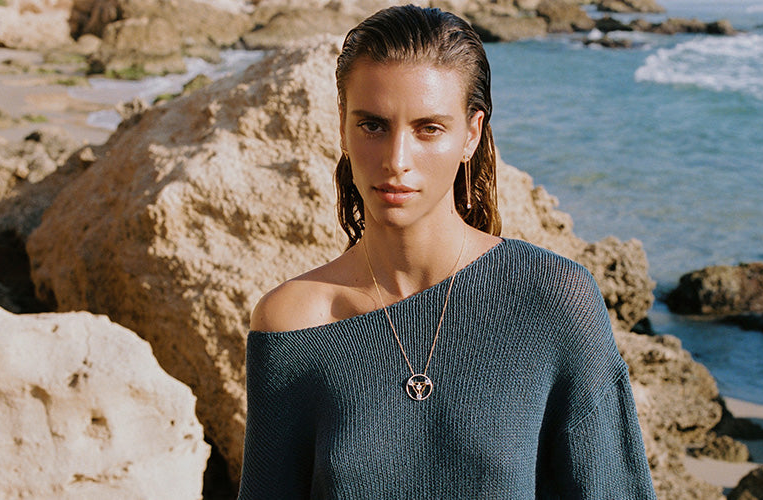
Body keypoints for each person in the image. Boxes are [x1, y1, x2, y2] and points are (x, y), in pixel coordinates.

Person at [238, 5, 656, 498]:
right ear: (343, 129)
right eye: (372, 125)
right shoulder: (294, 324)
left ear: (471, 134)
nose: (396, 161)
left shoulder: (553, 301)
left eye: (428, 128)